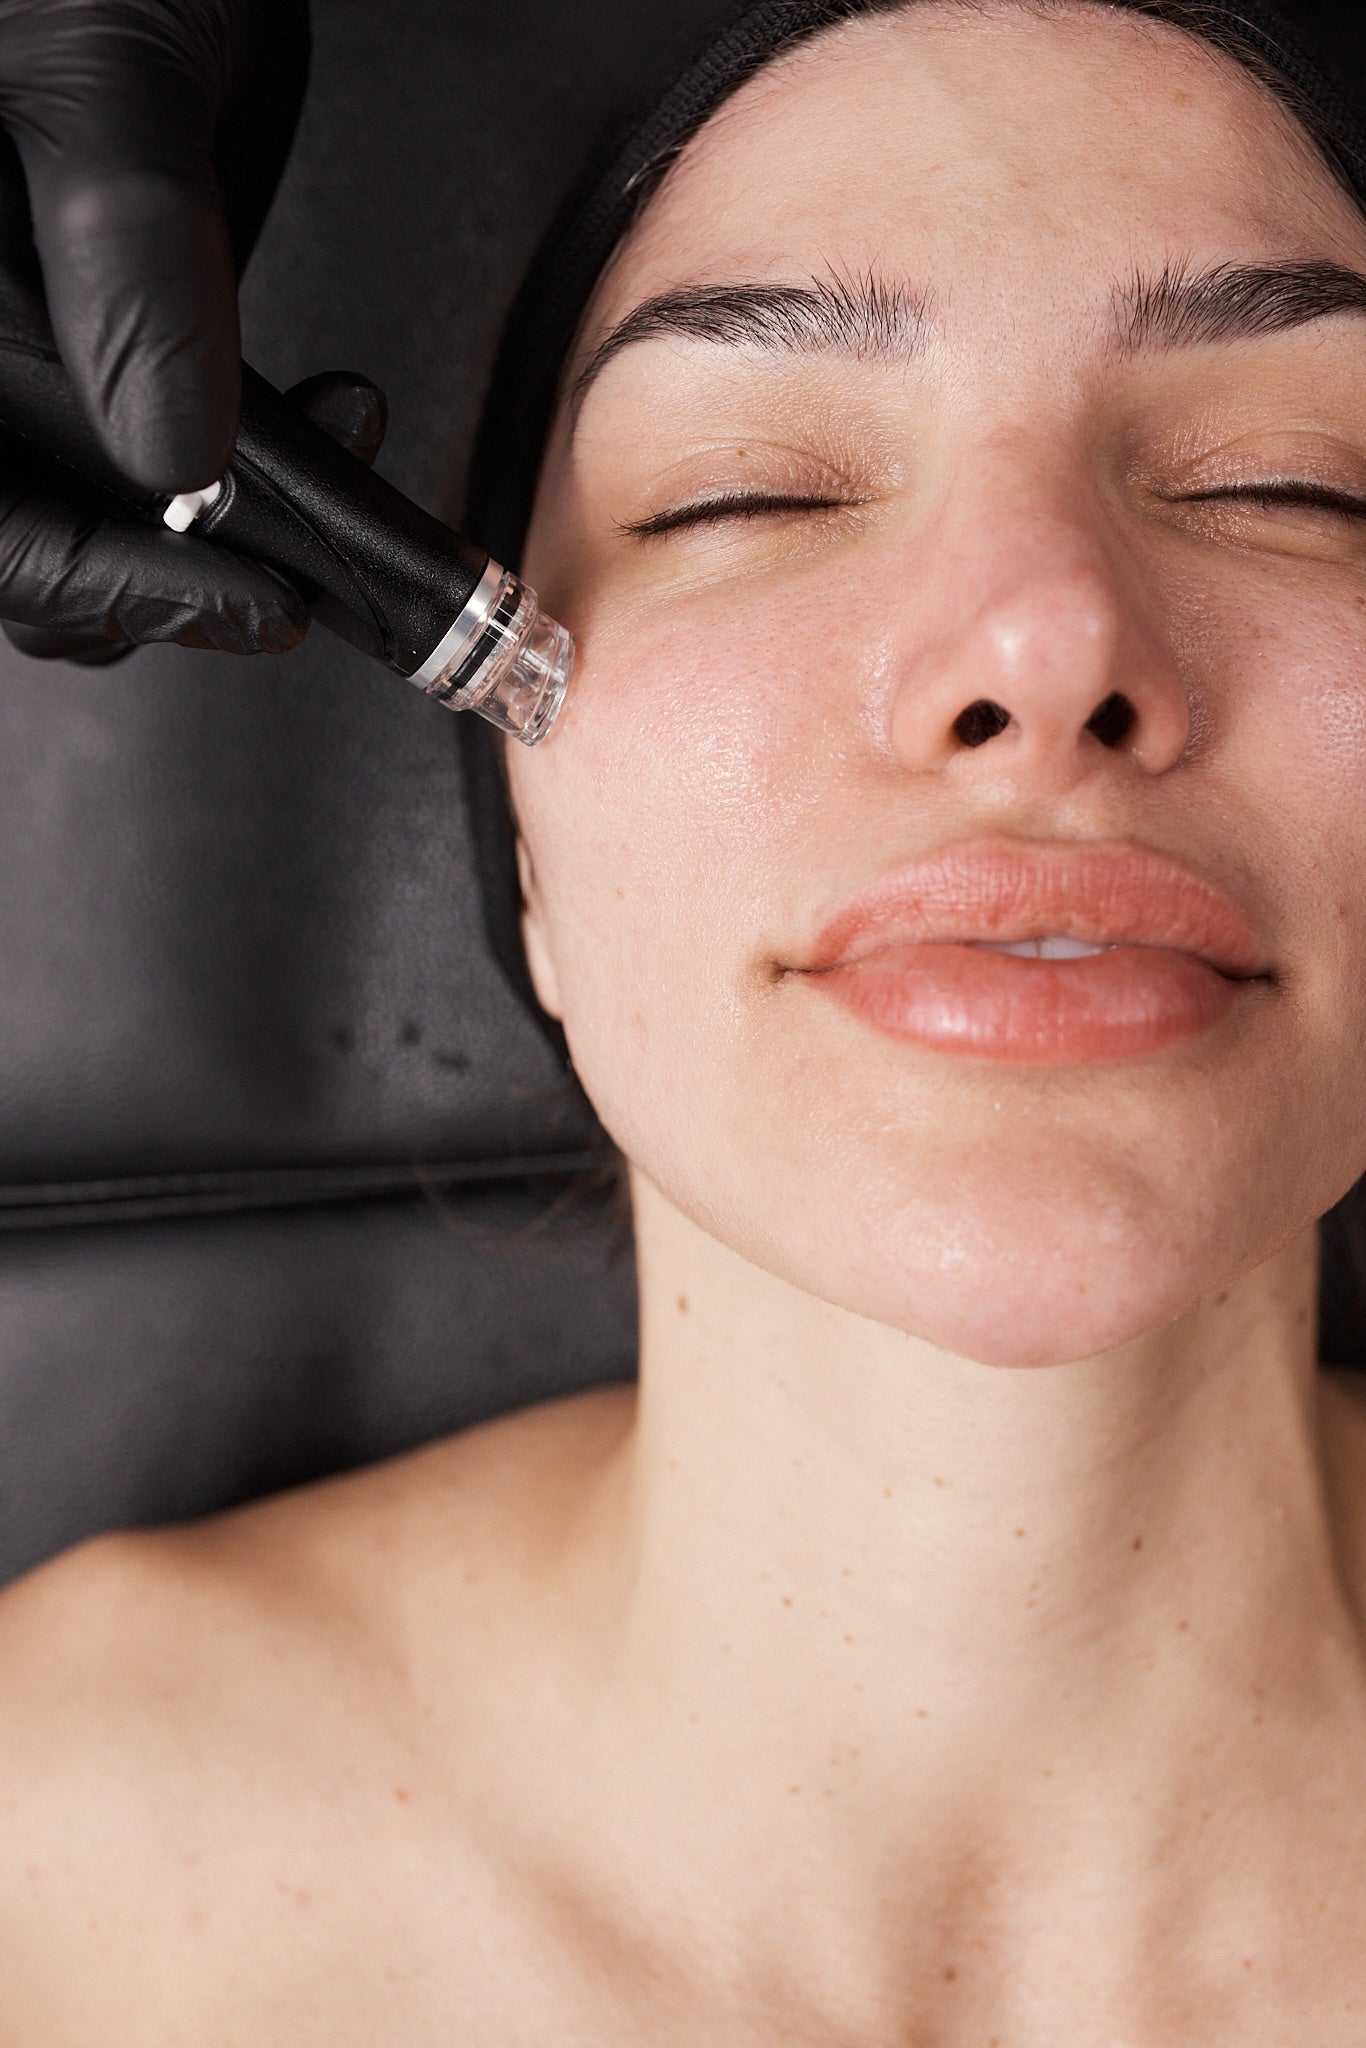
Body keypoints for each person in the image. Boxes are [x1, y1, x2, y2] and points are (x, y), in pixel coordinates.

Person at [6, 0, 1366, 2037]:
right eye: (750, 495)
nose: (1046, 634)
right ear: (530, 861)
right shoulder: (60, 1861)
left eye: (1290, 483)